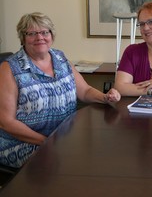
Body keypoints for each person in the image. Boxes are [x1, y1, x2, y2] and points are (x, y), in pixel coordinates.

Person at [0, 12, 121, 168]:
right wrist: (46, 141)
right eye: (32, 33)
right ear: (23, 38)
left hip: (63, 139)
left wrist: (105, 97)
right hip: (23, 144)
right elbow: (6, 122)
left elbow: (84, 91)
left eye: (45, 32)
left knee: (102, 149)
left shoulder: (60, 58)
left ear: (52, 35)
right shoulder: (9, 68)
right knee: (73, 164)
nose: (39, 37)